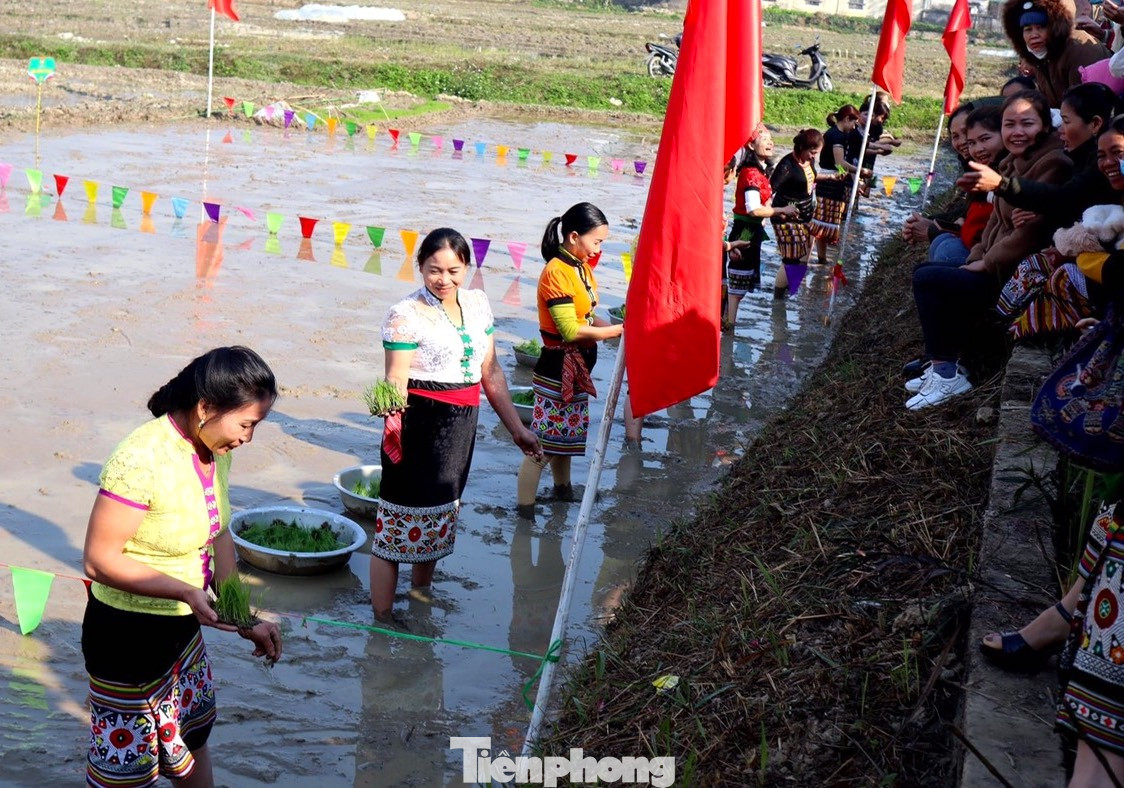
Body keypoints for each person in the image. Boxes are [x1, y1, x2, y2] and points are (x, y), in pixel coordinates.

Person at [81, 346, 283, 786]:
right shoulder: (141, 458)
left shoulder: (216, 448)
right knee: (127, 770)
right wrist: (185, 591)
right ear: (205, 408)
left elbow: (219, 533)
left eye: (257, 425)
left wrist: (243, 617)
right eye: (246, 424)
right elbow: (98, 560)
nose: (248, 438)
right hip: (125, 640)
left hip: (182, 634)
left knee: (190, 743)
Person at [371, 228, 541, 622]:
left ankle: (420, 594)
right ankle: (382, 619)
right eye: (434, 270)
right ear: (420, 267)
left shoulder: (478, 304)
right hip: (419, 424)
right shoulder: (405, 314)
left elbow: (490, 371)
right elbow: (395, 377)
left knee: (439, 513)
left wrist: (517, 429)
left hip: (461, 427)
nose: (444, 280)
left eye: (453, 270)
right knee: (395, 523)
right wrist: (389, 413)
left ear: (466, 267)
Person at [906, 91, 1073, 409]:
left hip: (1016, 277)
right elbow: (994, 224)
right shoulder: (1010, 165)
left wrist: (985, 264)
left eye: (1027, 123)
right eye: (1010, 124)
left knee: (928, 279)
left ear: (1044, 125)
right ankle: (944, 366)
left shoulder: (1052, 164)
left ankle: (946, 374)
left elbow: (1029, 233)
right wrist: (976, 258)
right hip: (996, 265)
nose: (1017, 132)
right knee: (928, 272)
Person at [516, 203, 623, 516]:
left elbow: (586, 317)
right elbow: (569, 330)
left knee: (563, 441)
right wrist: (615, 331)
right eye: (596, 242)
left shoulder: (580, 266)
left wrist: (620, 329)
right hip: (556, 369)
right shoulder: (556, 272)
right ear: (574, 236)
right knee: (543, 447)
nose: (598, 249)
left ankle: (563, 491)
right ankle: (524, 514)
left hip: (575, 369)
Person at [959, 81, 1118, 228]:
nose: (1061, 130)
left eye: (1066, 121)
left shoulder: (1059, 162)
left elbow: (1066, 199)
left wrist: (1002, 185)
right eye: (1009, 124)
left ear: (1095, 123)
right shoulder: (1010, 163)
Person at [913, 105, 1007, 268]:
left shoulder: (1001, 173)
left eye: (983, 138)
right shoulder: (974, 168)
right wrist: (933, 221)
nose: (963, 142)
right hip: (982, 251)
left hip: (992, 259)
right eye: (955, 136)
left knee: (945, 250)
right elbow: (967, 212)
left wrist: (933, 229)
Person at [724, 127, 797, 324]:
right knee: (736, 289)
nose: (770, 142)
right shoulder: (751, 174)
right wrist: (781, 210)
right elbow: (753, 210)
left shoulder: (760, 171)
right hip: (745, 233)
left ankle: (727, 323)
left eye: (771, 139)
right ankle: (728, 326)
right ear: (750, 145)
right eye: (764, 139)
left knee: (739, 287)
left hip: (752, 232)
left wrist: (776, 211)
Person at [769, 129, 841, 298]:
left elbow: (810, 177)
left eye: (816, 153)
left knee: (801, 256)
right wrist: (773, 211)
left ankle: (791, 290)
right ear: (802, 147)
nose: (814, 156)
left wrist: (831, 177)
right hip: (786, 218)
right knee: (791, 259)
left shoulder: (808, 161)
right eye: (812, 152)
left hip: (805, 216)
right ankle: (778, 301)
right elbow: (769, 189)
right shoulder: (787, 165)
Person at [1002, 0, 1110, 108]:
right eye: (1028, 29)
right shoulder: (1039, 54)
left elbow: (1086, 107)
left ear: (1056, 27)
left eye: (1041, 27)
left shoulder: (1080, 49)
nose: (1034, 35)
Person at [810, 104, 867, 266]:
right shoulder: (837, 136)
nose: (854, 127)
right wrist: (860, 170)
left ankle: (822, 258)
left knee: (823, 223)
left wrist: (853, 178)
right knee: (821, 223)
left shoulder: (836, 134)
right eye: (854, 122)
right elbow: (839, 162)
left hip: (833, 180)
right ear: (847, 119)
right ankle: (812, 257)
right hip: (830, 183)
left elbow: (840, 166)